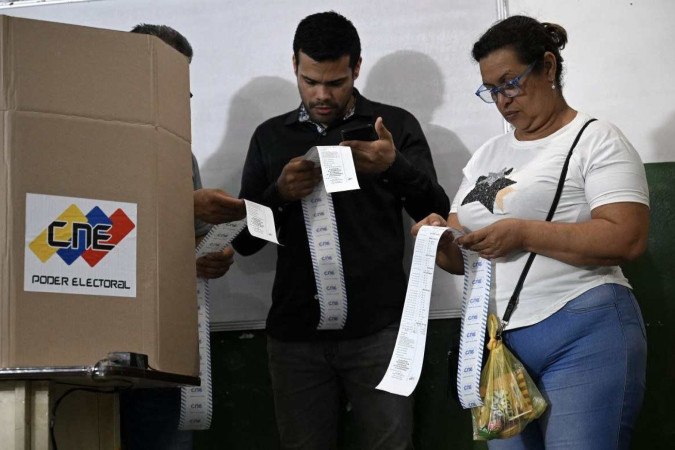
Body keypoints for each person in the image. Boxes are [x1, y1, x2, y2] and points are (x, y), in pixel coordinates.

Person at [413, 15, 649, 450]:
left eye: (510, 82)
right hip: (498, 346)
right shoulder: (488, 154)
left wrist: (523, 233)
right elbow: (458, 260)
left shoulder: (597, 139)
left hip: (584, 330)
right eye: (491, 90)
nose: (502, 100)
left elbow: (626, 239)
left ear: (547, 67)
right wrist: (439, 238)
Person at [232, 11, 449, 450]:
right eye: (311, 81)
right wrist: (279, 194)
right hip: (295, 337)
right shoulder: (270, 137)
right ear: (294, 65)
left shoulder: (393, 127)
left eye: (335, 82)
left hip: (380, 330)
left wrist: (394, 167)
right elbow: (245, 242)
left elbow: (436, 215)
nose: (322, 95)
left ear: (356, 68)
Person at [119, 24, 245, 450]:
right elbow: (76, 237)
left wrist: (212, 252)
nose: (182, 102)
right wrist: (180, 207)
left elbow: (191, 242)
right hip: (94, 350)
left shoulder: (181, 155)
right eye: (172, 86)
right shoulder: (81, 143)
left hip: (163, 350)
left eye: (186, 91)